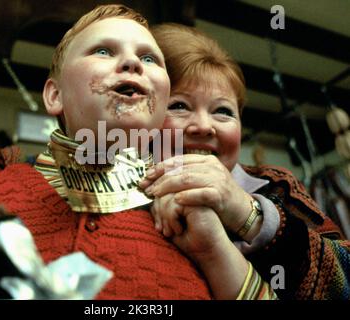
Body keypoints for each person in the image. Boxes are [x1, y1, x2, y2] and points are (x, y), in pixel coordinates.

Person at [0, 4, 278, 300]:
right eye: (103, 51)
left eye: (150, 59)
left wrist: (216, 250)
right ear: (54, 95)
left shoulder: (202, 228)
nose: (133, 62)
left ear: (161, 98)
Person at [139, 23, 350, 300]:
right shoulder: (110, 192)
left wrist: (248, 214)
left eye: (223, 111)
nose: (204, 126)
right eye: (178, 105)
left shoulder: (275, 185)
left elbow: (345, 283)